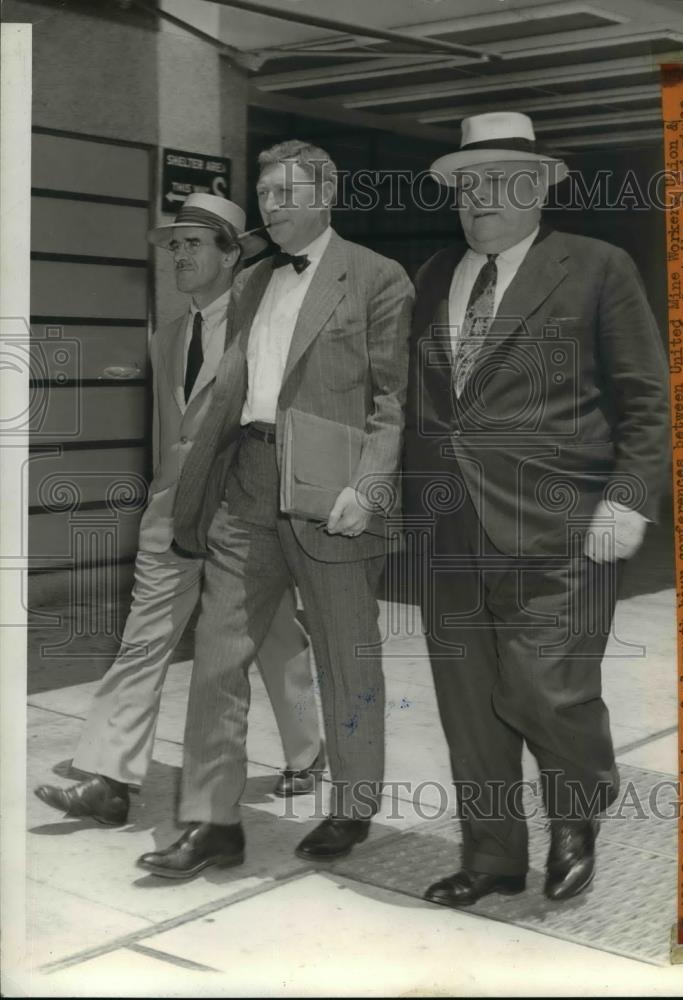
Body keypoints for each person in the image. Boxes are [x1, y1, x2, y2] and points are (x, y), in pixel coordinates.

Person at [403, 112, 670, 906]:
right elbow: (422, 402)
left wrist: (628, 498)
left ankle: (579, 804)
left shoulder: (595, 267)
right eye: (463, 185)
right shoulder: (432, 277)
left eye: (494, 182)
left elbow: (647, 399)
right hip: (451, 530)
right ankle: (491, 858)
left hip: (563, 527)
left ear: (537, 188)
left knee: (543, 688)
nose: (476, 198)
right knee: (468, 704)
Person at [136, 141, 413, 880]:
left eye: (287, 192)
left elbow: (392, 400)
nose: (273, 206)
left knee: (345, 654)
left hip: (332, 491)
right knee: (219, 654)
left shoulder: (378, 278)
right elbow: (230, 384)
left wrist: (369, 484)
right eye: (265, 194)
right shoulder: (254, 280)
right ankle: (212, 821)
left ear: (326, 193)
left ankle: (352, 803)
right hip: (247, 482)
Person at [35, 193, 323, 827]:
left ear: (232, 254)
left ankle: (308, 749)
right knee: (143, 640)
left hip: (245, 514)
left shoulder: (264, 329)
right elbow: (174, 433)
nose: (179, 256)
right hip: (173, 515)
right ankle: (109, 778)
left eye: (194, 244)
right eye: (175, 246)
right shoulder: (168, 338)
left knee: (275, 636)